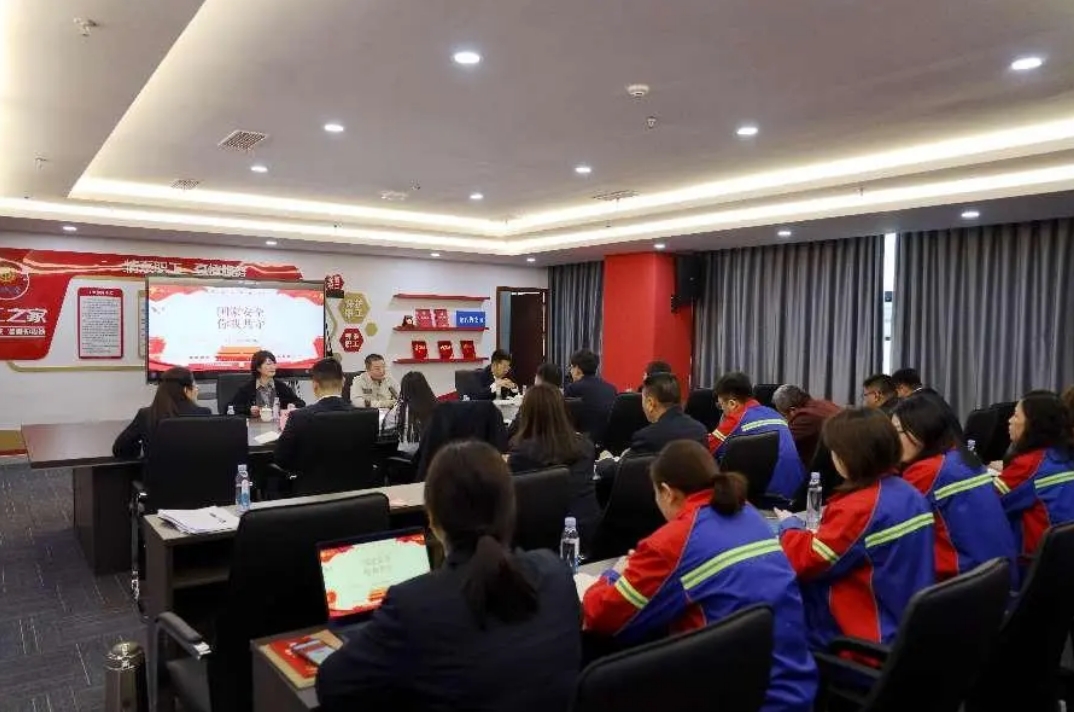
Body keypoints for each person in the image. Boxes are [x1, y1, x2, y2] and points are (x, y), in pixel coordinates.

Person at [316, 440, 582, 712]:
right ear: (510, 509)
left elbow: (332, 685)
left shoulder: (412, 606)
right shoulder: (556, 573)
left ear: (432, 519)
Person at [583, 440, 818, 712]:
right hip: (795, 689)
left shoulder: (675, 541)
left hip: (739, 698)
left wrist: (614, 575)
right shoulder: (749, 514)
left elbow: (603, 616)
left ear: (667, 493)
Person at [776, 408, 935, 651]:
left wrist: (789, 527)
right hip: (905, 623)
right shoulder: (909, 493)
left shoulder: (860, 508)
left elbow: (806, 562)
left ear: (847, 456)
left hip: (861, 640)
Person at [893, 397, 1016, 582]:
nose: (892, 440)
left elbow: (892, 524)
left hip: (963, 581)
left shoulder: (927, 472)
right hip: (998, 575)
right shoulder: (962, 457)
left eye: (897, 431)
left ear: (922, 430)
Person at [507, 384, 600, 544]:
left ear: (526, 414)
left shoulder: (522, 453)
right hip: (588, 531)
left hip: (545, 538)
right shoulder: (585, 445)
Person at [994, 390, 1074, 567]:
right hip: (1065, 562)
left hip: (1036, 566)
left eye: (1016, 415)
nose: (1010, 421)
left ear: (1033, 425)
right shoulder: (1065, 455)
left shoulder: (1028, 466)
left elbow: (987, 503)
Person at [707, 372, 806, 501]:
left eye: (721, 405)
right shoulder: (775, 414)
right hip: (797, 492)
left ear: (732, 404)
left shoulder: (736, 419)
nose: (722, 410)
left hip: (768, 497)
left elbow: (705, 451)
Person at [274, 358, 354, 472]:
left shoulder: (299, 416)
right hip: (356, 481)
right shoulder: (365, 415)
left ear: (314, 385)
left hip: (309, 482)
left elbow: (281, 458)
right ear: (343, 382)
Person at [113, 367, 210, 458]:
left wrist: (143, 447)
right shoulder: (204, 414)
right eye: (194, 385)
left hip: (155, 471)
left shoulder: (146, 415)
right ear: (185, 390)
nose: (197, 389)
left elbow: (119, 449)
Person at [772, 384, 842, 465]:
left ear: (792, 410)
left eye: (784, 415)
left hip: (830, 465)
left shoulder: (804, 418)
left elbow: (777, 444)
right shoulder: (824, 403)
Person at [564, 348, 618, 446]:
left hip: (583, 444)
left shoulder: (573, 388)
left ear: (577, 369)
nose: (570, 371)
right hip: (608, 443)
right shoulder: (611, 388)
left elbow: (565, 420)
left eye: (571, 367)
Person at [227, 350, 305, 417]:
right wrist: (249, 410)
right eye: (268, 364)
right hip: (254, 426)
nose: (273, 367)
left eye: (274, 364)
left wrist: (293, 405)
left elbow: (301, 403)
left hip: (277, 425)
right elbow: (229, 408)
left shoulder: (281, 387)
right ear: (258, 368)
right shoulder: (247, 388)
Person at [385, 371, 438, 444]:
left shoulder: (399, 409)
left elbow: (386, 426)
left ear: (404, 389)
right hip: (434, 449)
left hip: (408, 449)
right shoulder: (438, 406)